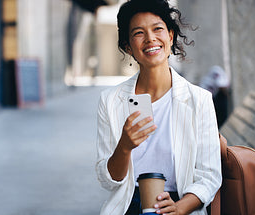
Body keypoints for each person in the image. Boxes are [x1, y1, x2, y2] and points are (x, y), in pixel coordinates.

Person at [95, 0, 222, 214]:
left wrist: (180, 208)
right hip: (128, 204)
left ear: (170, 36)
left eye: (158, 29)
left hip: (181, 203)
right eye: (138, 33)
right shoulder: (110, 100)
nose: (150, 38)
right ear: (128, 46)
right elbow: (109, 181)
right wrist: (124, 147)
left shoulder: (199, 100)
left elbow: (209, 176)